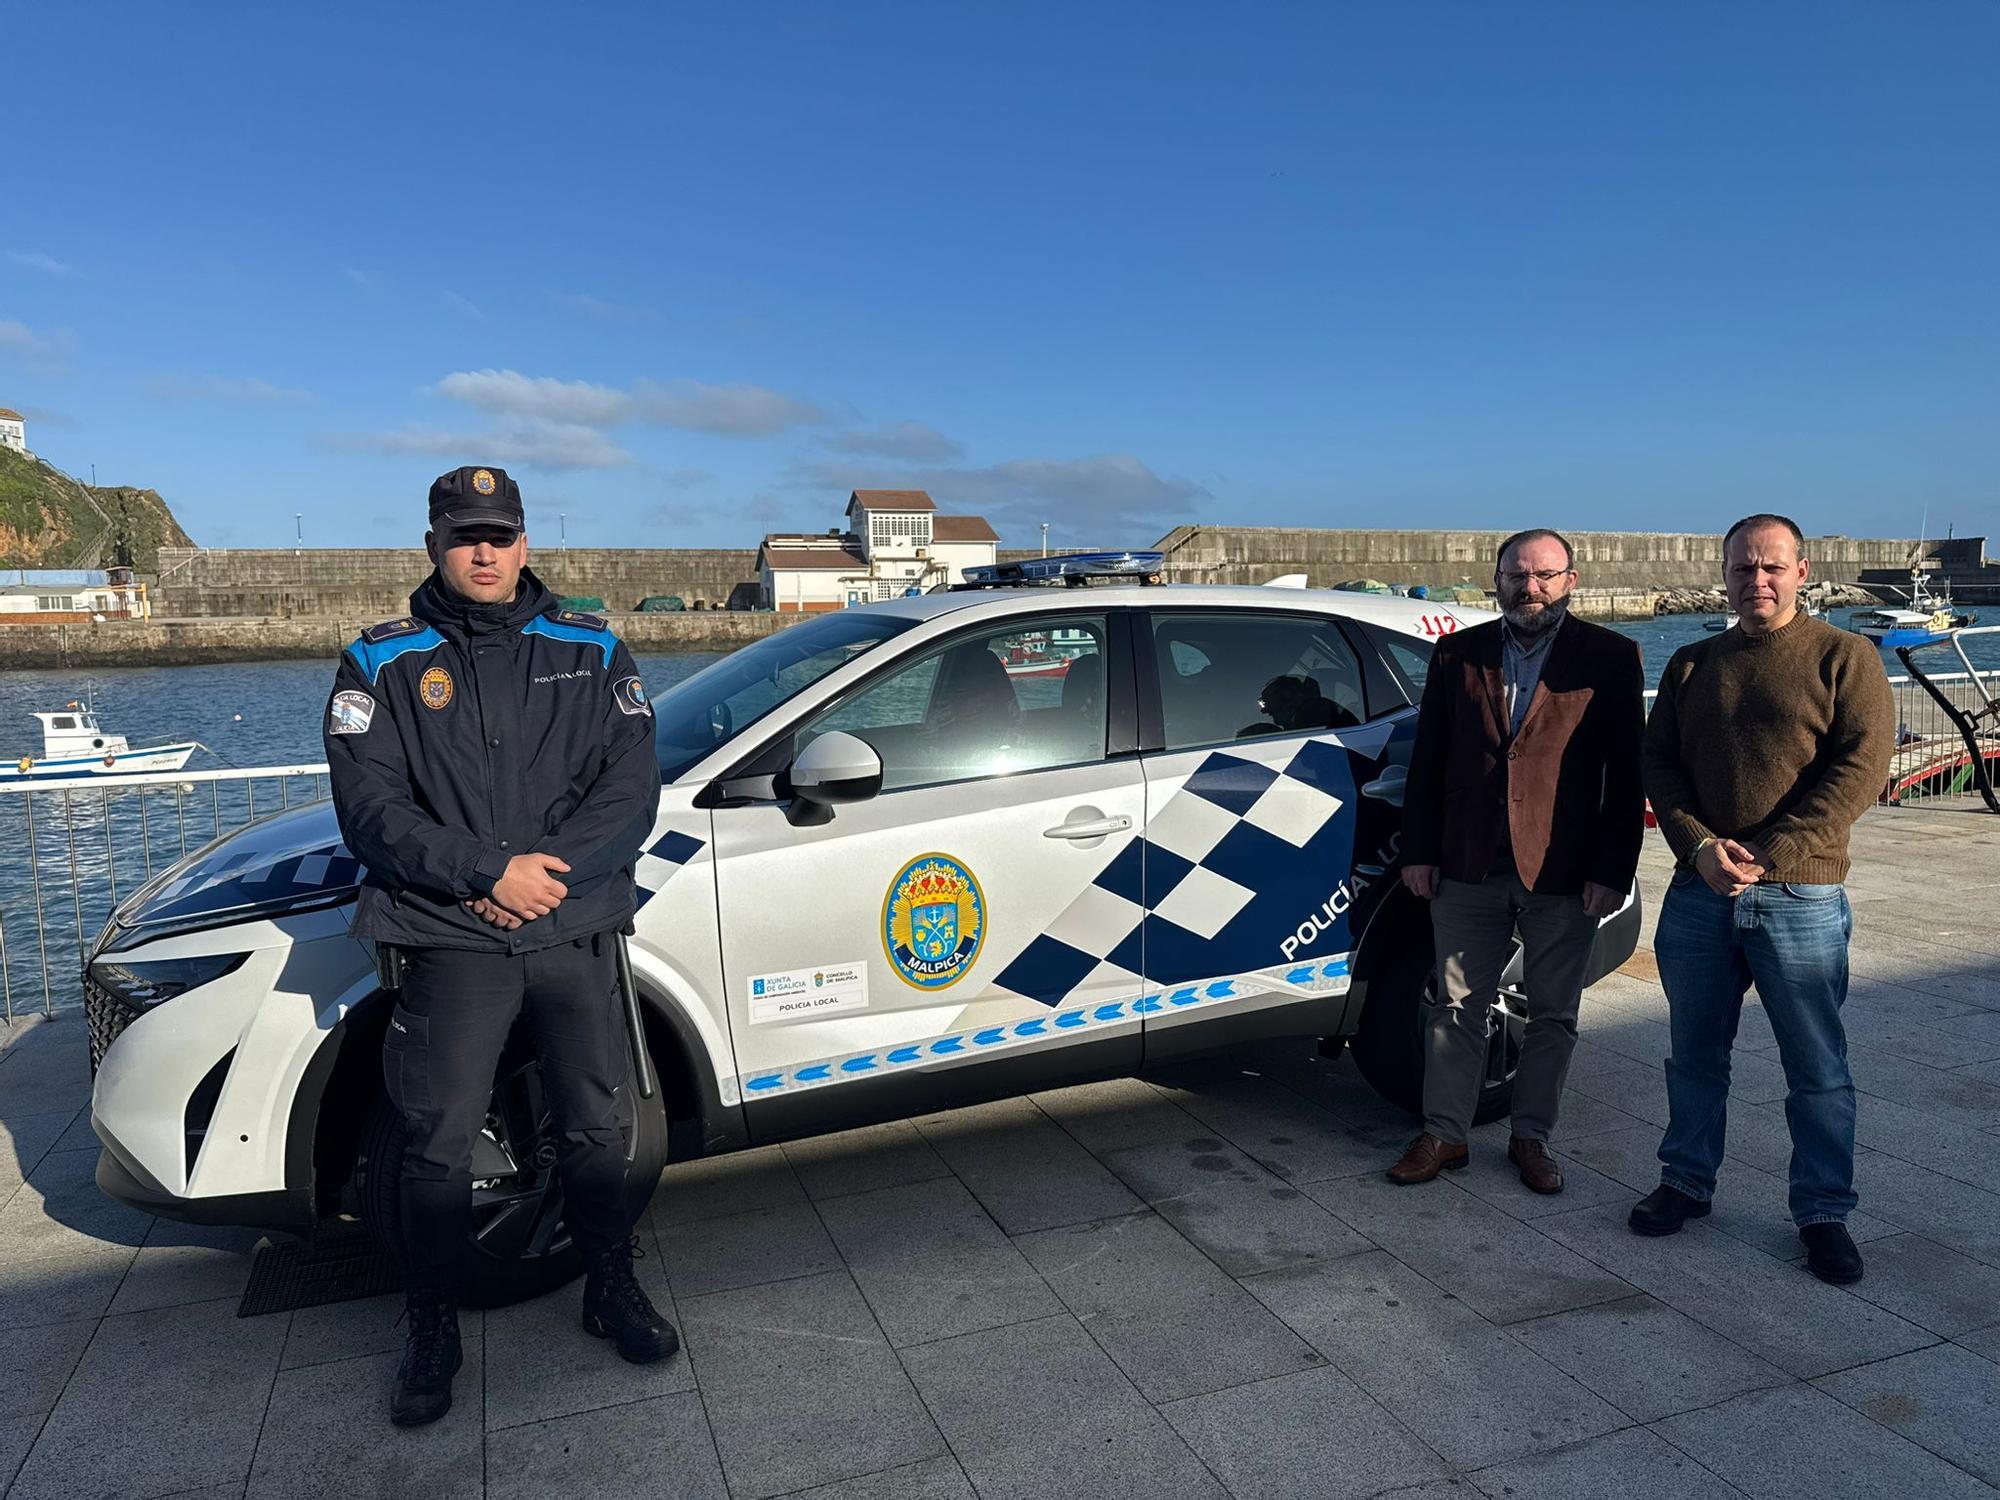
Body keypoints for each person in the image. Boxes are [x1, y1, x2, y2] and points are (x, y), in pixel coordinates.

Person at [324, 465, 676, 1427]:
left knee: (598, 1127)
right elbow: (371, 810)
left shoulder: (594, 647)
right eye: (465, 534)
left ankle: (610, 1284)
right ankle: (432, 1320)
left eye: (502, 534)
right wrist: (486, 873)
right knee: (436, 1147)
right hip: (454, 936)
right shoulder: (380, 662)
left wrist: (538, 878)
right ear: (433, 545)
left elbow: (628, 790)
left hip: (572, 929)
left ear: (526, 543)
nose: (485, 551)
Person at [1632, 513, 1892, 1284]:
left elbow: (1859, 770)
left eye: (1773, 567)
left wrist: (1775, 852)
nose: (1758, 581)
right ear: (1726, 573)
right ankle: (1685, 1181)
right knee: (1695, 1057)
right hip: (1702, 893)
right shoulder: (1690, 664)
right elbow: (1659, 765)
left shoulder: (1846, 657)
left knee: (1817, 1067)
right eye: (1744, 568)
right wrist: (1700, 846)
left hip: (1800, 896)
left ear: (1803, 572)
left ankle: (1823, 1212)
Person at [1390, 529, 1645, 1192]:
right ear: (1496, 580)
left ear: (1571, 581)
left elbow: (1626, 778)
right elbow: (1428, 764)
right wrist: (1418, 851)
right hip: (1466, 865)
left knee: (1553, 1014)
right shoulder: (1458, 653)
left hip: (1563, 871)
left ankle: (1531, 1137)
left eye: (1544, 576)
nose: (1529, 588)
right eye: (1517, 576)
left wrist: (1611, 871)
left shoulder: (1611, 657)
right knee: (1454, 1008)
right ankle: (1445, 1134)